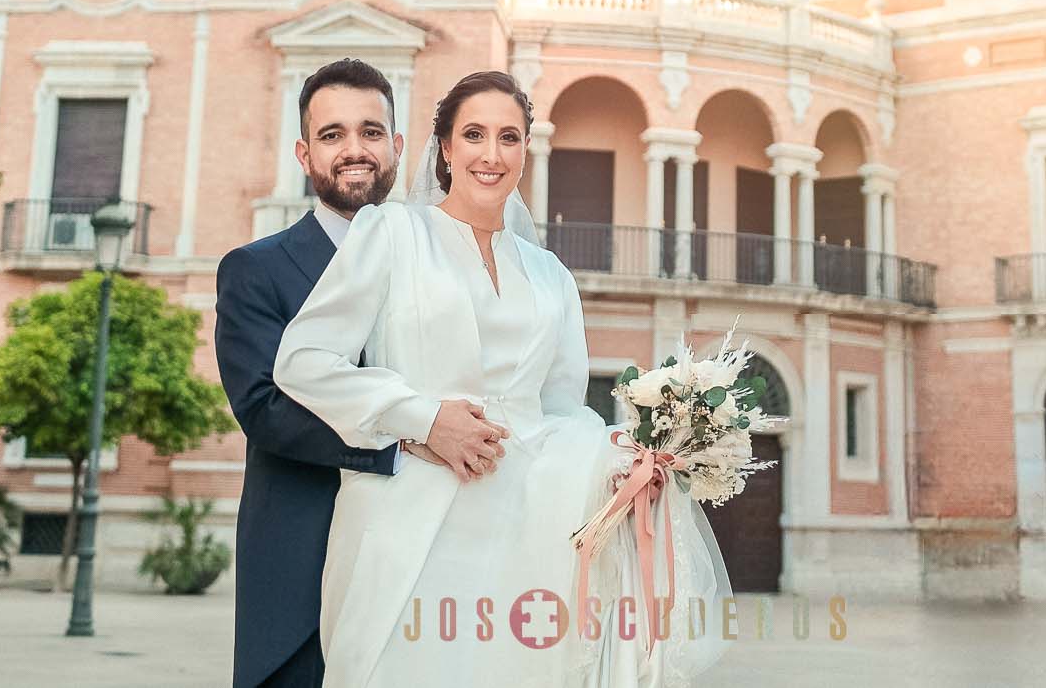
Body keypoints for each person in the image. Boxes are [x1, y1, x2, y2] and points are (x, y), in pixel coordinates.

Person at [273, 70, 728, 688]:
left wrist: (619, 458)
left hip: (531, 526)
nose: (492, 154)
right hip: (412, 518)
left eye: (509, 138)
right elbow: (303, 360)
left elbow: (563, 409)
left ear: (524, 152)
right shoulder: (390, 234)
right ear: (444, 148)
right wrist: (424, 417)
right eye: (475, 135)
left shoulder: (551, 276)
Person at [214, 58, 412, 688]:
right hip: (302, 566)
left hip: (420, 561)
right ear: (304, 154)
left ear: (396, 146)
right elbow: (263, 408)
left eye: (370, 132)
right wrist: (410, 441)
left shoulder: (433, 267)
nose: (354, 150)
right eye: (332, 136)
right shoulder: (255, 270)